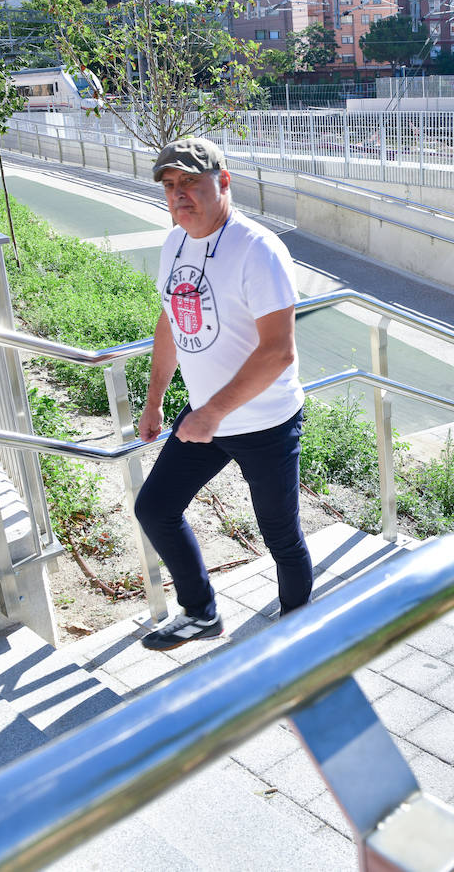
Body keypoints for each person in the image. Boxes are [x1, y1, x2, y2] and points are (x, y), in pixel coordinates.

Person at [134, 137, 313, 651]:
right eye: (170, 186)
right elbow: (170, 320)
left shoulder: (257, 250)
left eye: (190, 182)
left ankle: (298, 635)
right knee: (156, 508)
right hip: (205, 417)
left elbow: (278, 351)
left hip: (264, 423)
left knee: (280, 534)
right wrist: (154, 401)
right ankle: (200, 613)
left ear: (224, 181)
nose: (179, 195)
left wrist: (211, 412)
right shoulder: (175, 242)